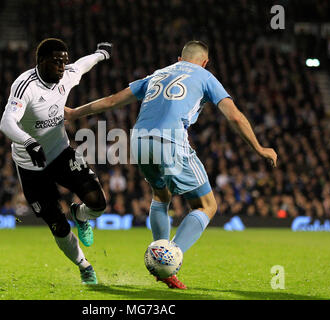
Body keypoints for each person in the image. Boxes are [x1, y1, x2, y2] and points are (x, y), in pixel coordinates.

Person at [69, 40, 278, 289]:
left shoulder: (158, 73)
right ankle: (166, 259)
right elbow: (233, 115)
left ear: (179, 59)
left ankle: (161, 262)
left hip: (138, 140)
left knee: (161, 195)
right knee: (207, 205)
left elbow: (113, 100)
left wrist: (73, 114)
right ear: (205, 61)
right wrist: (259, 147)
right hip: (170, 140)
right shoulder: (205, 75)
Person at [0, 38, 112, 285]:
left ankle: (80, 215)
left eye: (64, 61)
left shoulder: (66, 75)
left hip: (61, 153)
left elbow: (83, 65)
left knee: (98, 203)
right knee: (58, 225)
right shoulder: (25, 85)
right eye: (56, 62)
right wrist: (29, 142)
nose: (62, 67)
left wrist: (101, 54)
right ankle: (84, 266)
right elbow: (6, 122)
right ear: (40, 62)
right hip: (31, 166)